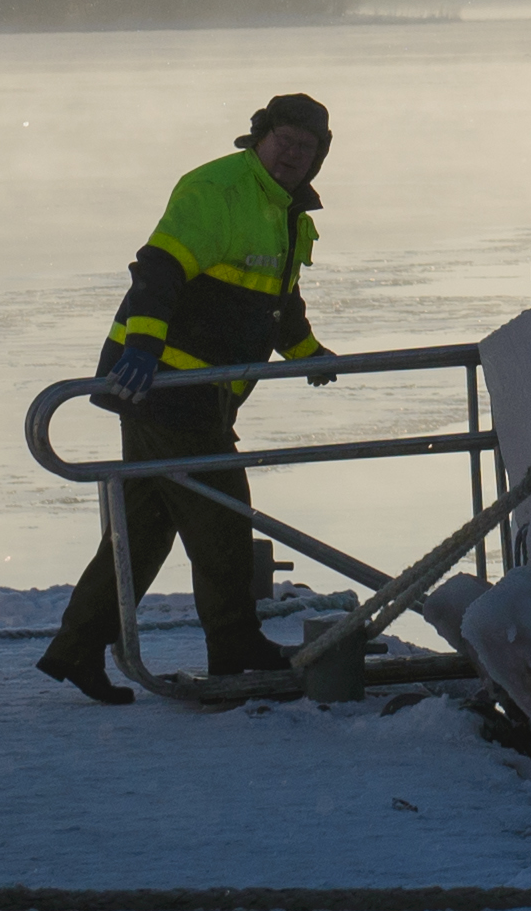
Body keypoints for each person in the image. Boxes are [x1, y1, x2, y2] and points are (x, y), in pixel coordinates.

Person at [38, 93, 339, 703]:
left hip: (197, 391)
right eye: (283, 141)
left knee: (145, 528)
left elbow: (274, 302)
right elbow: (159, 268)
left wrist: (307, 354)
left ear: (319, 157)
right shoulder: (219, 189)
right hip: (163, 384)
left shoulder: (286, 213)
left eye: (305, 148)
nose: (292, 155)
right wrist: (143, 350)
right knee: (223, 512)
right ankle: (234, 648)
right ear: (259, 138)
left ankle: (75, 649)